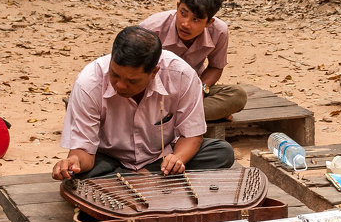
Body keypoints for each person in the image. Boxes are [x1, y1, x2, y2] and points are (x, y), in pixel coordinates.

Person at [52, 26, 235, 181]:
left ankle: (133, 179)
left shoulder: (182, 75)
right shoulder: (88, 83)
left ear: (154, 71)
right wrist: (74, 162)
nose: (120, 85)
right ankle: (149, 180)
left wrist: (177, 159)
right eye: (115, 75)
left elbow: (192, 135)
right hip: (109, 159)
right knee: (79, 176)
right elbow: (83, 151)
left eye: (132, 81)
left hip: (160, 159)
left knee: (221, 152)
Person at [139, 0, 247, 122]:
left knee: (237, 96)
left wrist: (201, 90)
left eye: (196, 20)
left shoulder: (219, 32)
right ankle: (194, 116)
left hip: (191, 92)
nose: (185, 24)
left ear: (209, 22)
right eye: (183, 13)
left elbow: (215, 67)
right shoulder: (151, 29)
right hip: (153, 92)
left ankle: (168, 119)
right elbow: (133, 71)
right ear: (177, 7)